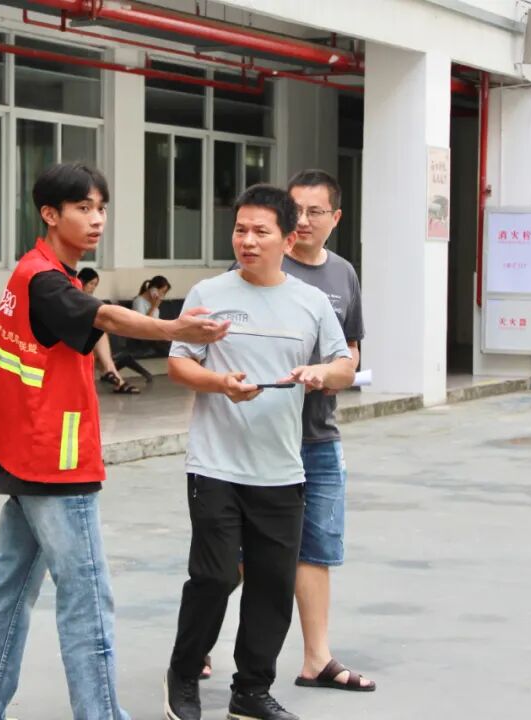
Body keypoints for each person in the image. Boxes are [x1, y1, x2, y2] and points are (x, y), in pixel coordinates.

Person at [0, 162, 229, 720]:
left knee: (6, 589)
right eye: (83, 208)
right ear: (50, 214)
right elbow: (108, 318)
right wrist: (174, 328)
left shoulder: (46, 276)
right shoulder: (44, 279)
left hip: (28, 456)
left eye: (101, 208)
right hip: (53, 460)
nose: (97, 220)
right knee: (88, 597)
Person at [163, 184, 355, 720]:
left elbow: (344, 365)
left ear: (288, 239)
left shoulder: (311, 303)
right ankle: (183, 673)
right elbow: (178, 363)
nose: (247, 241)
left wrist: (322, 373)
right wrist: (219, 383)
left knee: (272, 584)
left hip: (281, 470)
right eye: (240, 229)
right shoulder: (208, 293)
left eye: (260, 231)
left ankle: (250, 691)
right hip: (215, 465)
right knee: (216, 576)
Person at [283, 169, 373, 692]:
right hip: (265, 436)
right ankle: (198, 645)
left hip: (319, 434)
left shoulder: (343, 275)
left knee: (316, 546)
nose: (302, 220)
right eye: (294, 209)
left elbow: (352, 350)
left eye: (314, 212)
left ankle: (316, 659)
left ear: (335, 218)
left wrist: (333, 372)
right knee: (242, 555)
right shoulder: (263, 263)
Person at [76, 267, 154, 393]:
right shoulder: (72, 298)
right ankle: (112, 374)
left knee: (99, 336)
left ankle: (113, 375)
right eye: (91, 284)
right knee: (99, 333)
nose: (93, 288)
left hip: (82, 340)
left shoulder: (88, 301)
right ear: (81, 281)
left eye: (95, 285)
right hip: (70, 340)